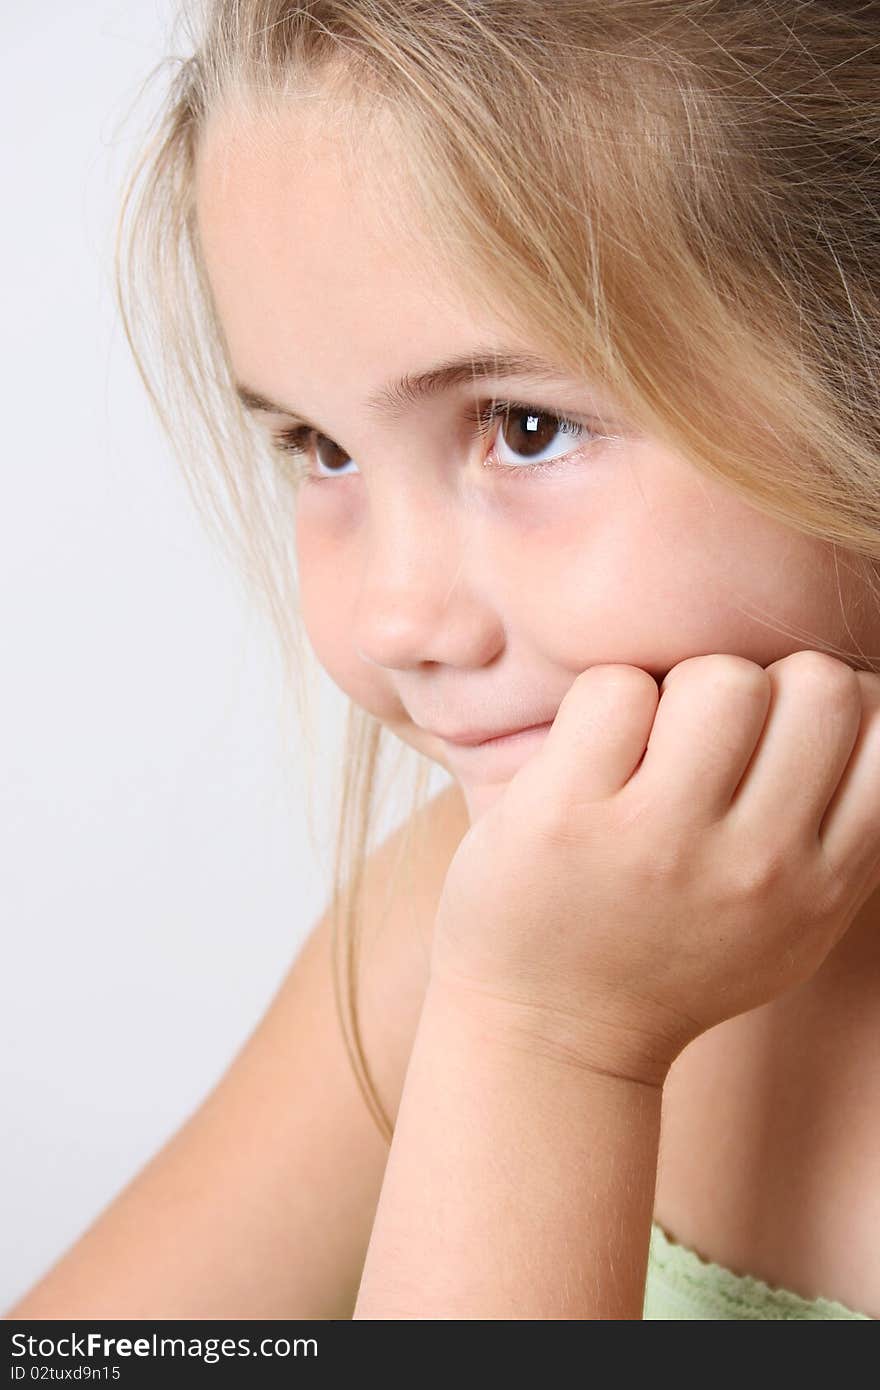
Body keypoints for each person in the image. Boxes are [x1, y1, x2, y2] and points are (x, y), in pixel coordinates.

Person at [7, 0, 880, 1320]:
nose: (393, 619)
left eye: (525, 425)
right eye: (321, 448)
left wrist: (552, 1040)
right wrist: (535, 1028)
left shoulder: (513, 949)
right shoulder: (481, 918)